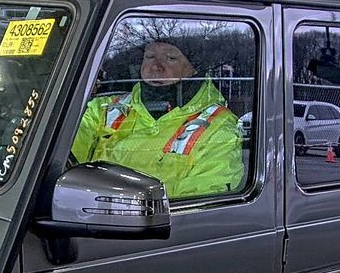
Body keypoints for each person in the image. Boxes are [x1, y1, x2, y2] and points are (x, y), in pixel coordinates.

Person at [70, 38, 244, 199]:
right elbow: (61, 166)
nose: (156, 66)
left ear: (194, 68)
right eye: (150, 56)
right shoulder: (102, 110)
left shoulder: (219, 126)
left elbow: (201, 209)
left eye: (170, 58)